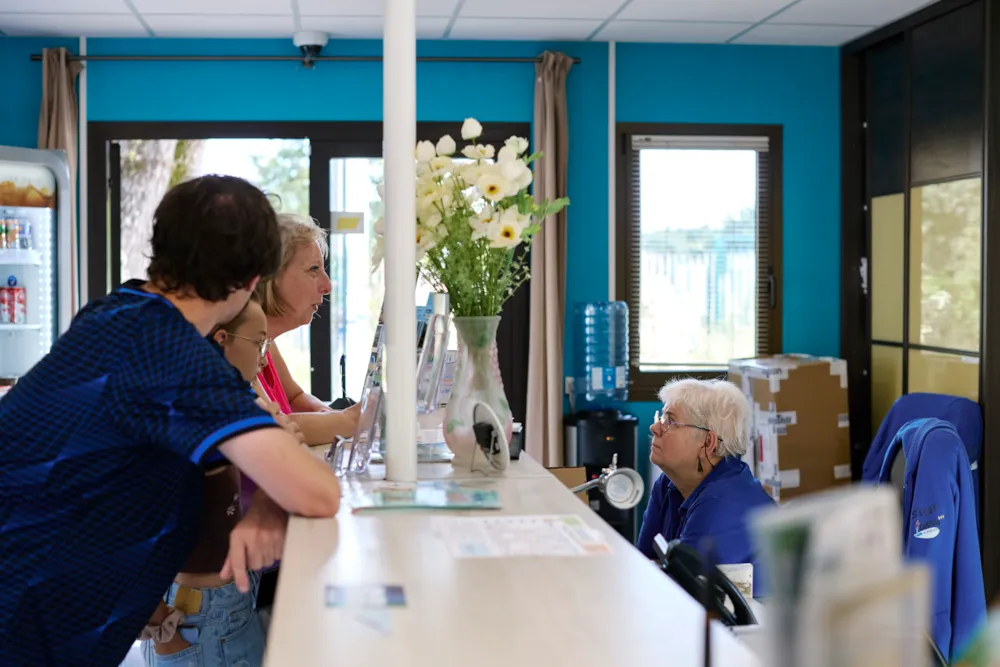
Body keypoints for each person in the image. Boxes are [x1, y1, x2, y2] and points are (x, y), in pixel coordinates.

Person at [0, 175, 341, 667]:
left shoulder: (117, 311)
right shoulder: (177, 358)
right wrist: (275, 494)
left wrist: (269, 498)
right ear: (253, 279)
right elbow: (318, 492)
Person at [141, 298, 302, 666]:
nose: (264, 359)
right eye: (258, 343)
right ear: (221, 340)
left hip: (220, 608)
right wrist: (161, 626)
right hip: (201, 620)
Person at [637, 378, 774, 591]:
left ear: (708, 442)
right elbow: (645, 561)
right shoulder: (668, 484)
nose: (655, 427)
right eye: (661, 417)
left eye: (670, 421)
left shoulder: (720, 502)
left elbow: (681, 590)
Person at [254, 212, 359, 445]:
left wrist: (328, 416)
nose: (327, 286)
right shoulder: (233, 347)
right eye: (314, 269)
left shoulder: (265, 342)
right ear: (271, 276)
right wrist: (350, 420)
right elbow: (270, 427)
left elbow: (294, 398)